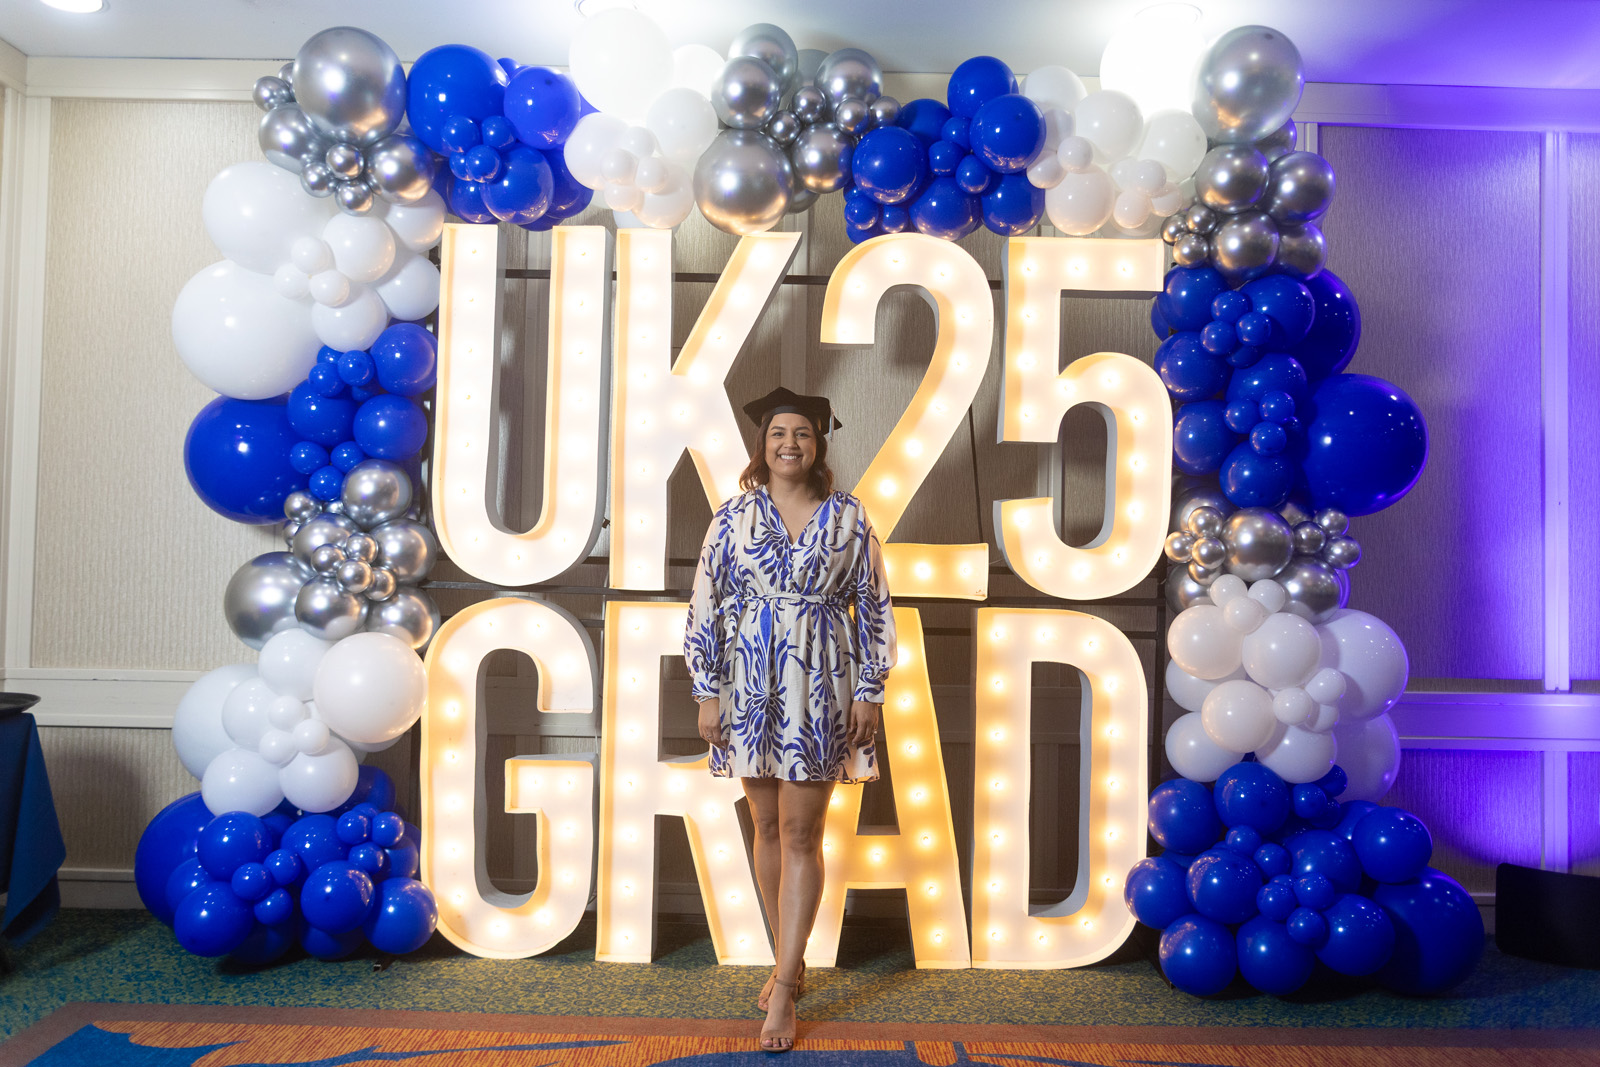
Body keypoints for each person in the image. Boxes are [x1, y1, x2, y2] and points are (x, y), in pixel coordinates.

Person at [684, 387, 896, 1053]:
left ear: (818, 444)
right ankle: (789, 959)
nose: (789, 443)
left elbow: (874, 604)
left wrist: (870, 690)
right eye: (779, 432)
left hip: (823, 686)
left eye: (802, 433)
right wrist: (707, 691)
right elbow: (705, 604)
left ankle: (781, 987)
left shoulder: (849, 517)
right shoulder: (733, 517)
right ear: (763, 443)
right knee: (768, 826)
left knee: (803, 831)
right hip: (749, 684)